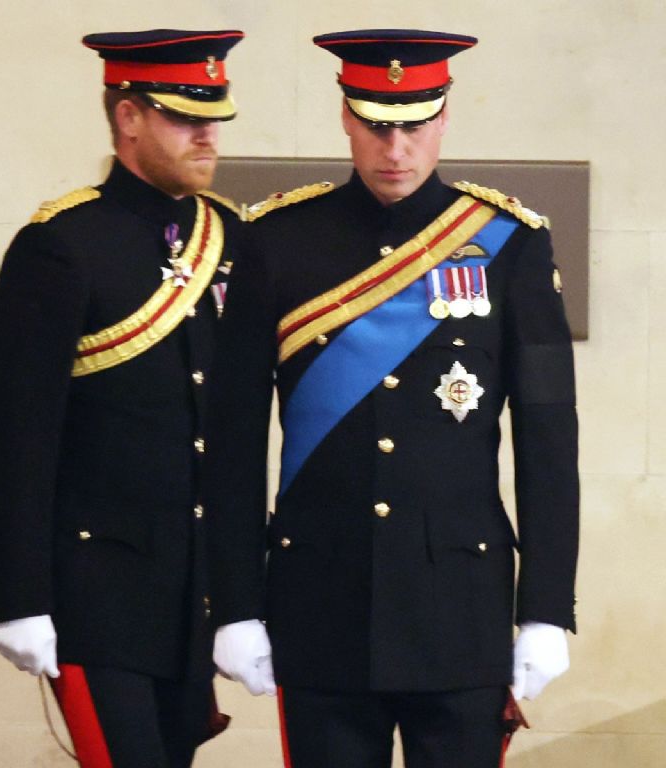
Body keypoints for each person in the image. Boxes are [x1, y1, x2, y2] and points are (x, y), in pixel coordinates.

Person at [205, 29, 579, 768]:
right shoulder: (275, 241)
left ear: (445, 117)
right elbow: (234, 442)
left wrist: (544, 609)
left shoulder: (510, 244)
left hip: (460, 613)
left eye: (414, 123)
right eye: (377, 124)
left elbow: (548, 441)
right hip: (320, 605)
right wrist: (237, 603)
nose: (396, 147)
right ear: (345, 115)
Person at [0, 27, 244, 768]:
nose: (207, 135)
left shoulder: (229, 236)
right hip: (97, 596)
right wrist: (15, 594)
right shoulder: (63, 244)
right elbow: (17, 436)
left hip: (191, 596)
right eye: (186, 117)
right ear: (129, 117)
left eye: (214, 117)